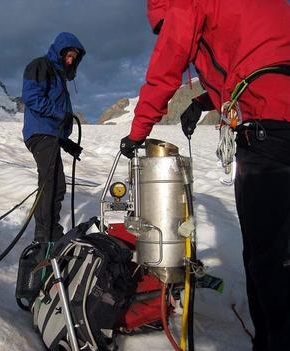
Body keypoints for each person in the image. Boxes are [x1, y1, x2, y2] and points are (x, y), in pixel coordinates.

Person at [119, 1, 290, 350]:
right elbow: (255, 59)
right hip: (277, 117)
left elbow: (168, 63)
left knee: (269, 255)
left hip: (267, 133)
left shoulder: (186, 3)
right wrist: (202, 101)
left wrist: (138, 131)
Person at [22, 32, 85, 251]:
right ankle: (47, 233)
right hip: (40, 133)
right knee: (53, 183)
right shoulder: (41, 66)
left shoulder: (58, 76)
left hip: (48, 135)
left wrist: (66, 142)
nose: (70, 60)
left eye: (73, 58)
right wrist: (61, 114)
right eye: (67, 55)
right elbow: (31, 97)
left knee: (52, 183)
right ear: (59, 51)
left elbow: (53, 116)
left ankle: (46, 231)